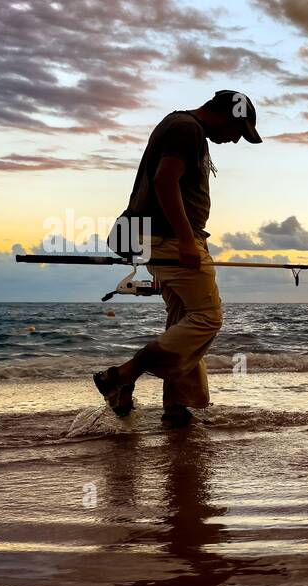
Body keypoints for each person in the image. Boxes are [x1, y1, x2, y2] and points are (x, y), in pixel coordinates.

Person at [94, 90, 262, 428]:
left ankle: (176, 408)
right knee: (206, 317)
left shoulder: (181, 125)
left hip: (158, 238)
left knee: (184, 318)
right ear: (227, 116)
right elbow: (164, 181)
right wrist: (185, 240)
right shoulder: (188, 129)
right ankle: (123, 375)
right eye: (238, 131)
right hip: (169, 237)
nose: (234, 141)